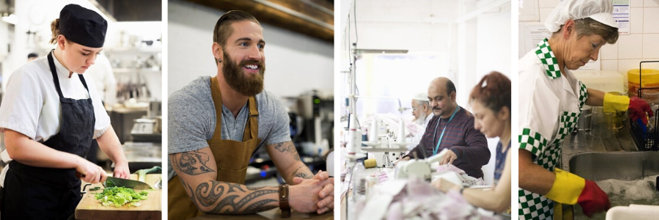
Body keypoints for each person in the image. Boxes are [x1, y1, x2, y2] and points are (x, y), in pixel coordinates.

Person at [167, 10, 334, 219]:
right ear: (218, 51)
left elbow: (292, 166)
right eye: (244, 44)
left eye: (260, 45)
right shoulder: (188, 104)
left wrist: (317, 189)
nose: (256, 55)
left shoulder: (270, 107)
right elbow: (205, 194)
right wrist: (286, 195)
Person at [518, 0, 652, 219]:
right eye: (594, 45)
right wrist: (580, 189)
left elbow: (581, 93)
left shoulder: (555, 67)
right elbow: (520, 170)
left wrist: (627, 103)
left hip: (544, 191)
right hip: (529, 203)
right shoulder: (535, 80)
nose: (595, 57)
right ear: (569, 28)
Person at [0, 4, 129, 219]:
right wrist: (77, 161)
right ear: (61, 41)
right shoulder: (29, 77)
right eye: (85, 53)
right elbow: (16, 146)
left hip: (68, 193)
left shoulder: (84, 79)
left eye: (97, 53)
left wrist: (120, 159)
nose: (92, 61)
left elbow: (103, 128)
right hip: (31, 196)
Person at [432, 71, 511, 215]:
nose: (476, 126)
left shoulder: (513, 150)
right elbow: (494, 191)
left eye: (480, 117)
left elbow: (498, 201)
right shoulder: (502, 146)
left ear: (503, 113)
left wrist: (454, 189)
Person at [399, 77, 490, 178]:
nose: (433, 104)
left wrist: (458, 151)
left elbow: (483, 154)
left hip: (464, 183)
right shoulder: (434, 120)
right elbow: (422, 148)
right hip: (439, 180)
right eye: (430, 100)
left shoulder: (469, 121)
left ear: (452, 96)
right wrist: (408, 157)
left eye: (438, 99)